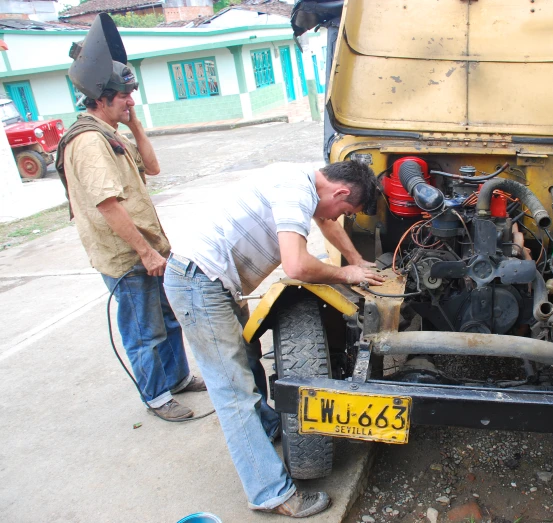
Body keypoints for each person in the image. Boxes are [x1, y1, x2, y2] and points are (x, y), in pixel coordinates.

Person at [163, 160, 385, 518]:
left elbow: (327, 221)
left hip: (212, 280)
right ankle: (270, 493)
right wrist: (345, 271)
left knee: (247, 364)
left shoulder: (305, 180)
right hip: (198, 282)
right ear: (340, 191)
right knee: (234, 392)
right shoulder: (295, 191)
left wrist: (359, 261)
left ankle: (266, 428)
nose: (339, 215)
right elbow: (296, 266)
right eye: (347, 209)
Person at [56, 18, 206, 421]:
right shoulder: (88, 141)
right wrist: (144, 252)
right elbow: (107, 205)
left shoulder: (111, 132)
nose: (130, 102)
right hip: (129, 257)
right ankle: (156, 396)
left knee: (168, 321)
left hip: (149, 251)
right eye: (125, 97)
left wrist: (134, 123)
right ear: (102, 98)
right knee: (145, 331)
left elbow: (152, 167)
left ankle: (176, 379)